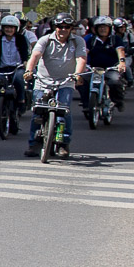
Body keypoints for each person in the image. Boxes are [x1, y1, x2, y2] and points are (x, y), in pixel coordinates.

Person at [24, 14, 88, 160]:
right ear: (55, 27)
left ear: (71, 28)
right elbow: (35, 55)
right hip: (43, 81)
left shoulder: (78, 41)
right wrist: (29, 70)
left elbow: (81, 58)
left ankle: (63, 144)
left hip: (65, 81)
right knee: (37, 111)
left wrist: (78, 74)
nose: (63, 30)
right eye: (60, 26)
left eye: (67, 27)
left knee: (64, 110)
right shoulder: (45, 39)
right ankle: (34, 143)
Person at [0, 14, 31, 134]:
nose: (9, 30)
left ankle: (21, 99)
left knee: (18, 78)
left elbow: (25, 52)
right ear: (2, 28)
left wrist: (26, 62)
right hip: (2, 68)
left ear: (16, 28)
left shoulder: (21, 39)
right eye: (6, 27)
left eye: (11, 28)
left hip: (17, 67)